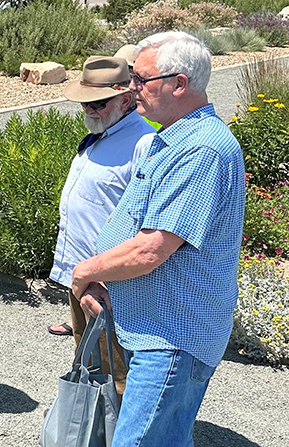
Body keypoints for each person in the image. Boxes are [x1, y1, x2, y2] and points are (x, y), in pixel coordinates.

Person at [73, 31, 244, 447]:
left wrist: (86, 271)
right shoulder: (173, 137)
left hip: (170, 339)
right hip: (153, 330)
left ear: (179, 83)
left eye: (141, 80)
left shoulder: (200, 149)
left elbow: (151, 249)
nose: (132, 88)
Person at [46, 56, 155, 399]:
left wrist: (105, 278)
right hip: (82, 275)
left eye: (98, 103)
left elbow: (145, 225)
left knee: (117, 375)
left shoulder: (144, 144)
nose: (90, 110)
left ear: (125, 99)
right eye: (85, 103)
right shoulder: (105, 132)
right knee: (90, 364)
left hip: (110, 284)